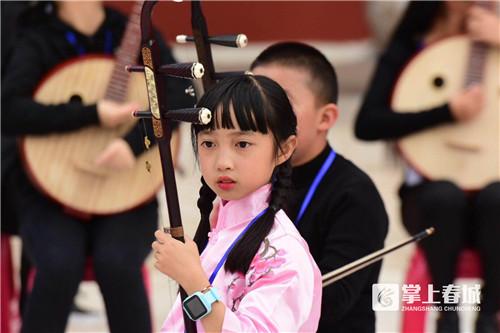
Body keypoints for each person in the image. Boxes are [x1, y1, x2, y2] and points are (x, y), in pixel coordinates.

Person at [1, 2, 194, 333]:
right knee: (58, 263)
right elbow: (10, 110)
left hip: (125, 190)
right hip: (49, 191)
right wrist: (92, 114)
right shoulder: (36, 37)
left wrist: (131, 144)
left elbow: (173, 92)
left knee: (118, 263)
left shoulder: (130, 32)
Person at [355, 2, 500, 332]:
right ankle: (446, 316)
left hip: (493, 194)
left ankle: (489, 315)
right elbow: (367, 124)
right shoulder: (411, 44)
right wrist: (447, 111)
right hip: (429, 199)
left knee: (498, 199)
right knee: (443, 198)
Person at [152, 74, 322, 332]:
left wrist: (193, 280)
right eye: (208, 143)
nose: (223, 162)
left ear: (284, 149)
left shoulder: (284, 253)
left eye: (242, 144)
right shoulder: (222, 226)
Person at [248, 42, 389, 332]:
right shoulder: (245, 182)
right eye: (254, 99)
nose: (262, 114)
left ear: (326, 118)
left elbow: (330, 301)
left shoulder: (355, 195)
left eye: (281, 102)